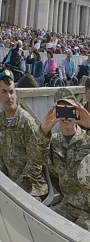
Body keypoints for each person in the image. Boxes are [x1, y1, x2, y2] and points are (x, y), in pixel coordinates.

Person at [29, 88, 90, 237]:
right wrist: (44, 130)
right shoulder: (53, 141)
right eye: (62, 110)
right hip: (68, 205)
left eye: (70, 110)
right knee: (40, 229)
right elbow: (36, 159)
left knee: (75, 236)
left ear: (77, 110)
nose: (66, 117)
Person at [0, 69, 47, 199]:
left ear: (15, 94)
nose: (9, 97)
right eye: (4, 92)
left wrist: (17, 187)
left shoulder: (26, 121)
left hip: (31, 188)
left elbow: (36, 160)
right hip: (8, 186)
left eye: (11, 92)